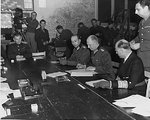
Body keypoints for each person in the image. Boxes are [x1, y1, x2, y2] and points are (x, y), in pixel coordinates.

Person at [130, 0, 150, 72]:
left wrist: (140, 45)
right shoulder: (142, 22)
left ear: (146, 8)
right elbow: (140, 36)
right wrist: (134, 41)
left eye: (138, 9)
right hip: (141, 59)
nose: (135, 12)